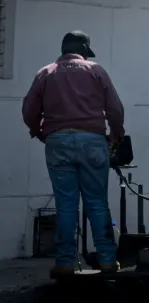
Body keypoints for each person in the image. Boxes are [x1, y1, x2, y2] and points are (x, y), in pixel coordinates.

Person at [22, 31, 126, 279]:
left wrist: (38, 131)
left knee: (66, 204)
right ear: (83, 50)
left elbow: (28, 110)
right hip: (92, 141)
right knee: (97, 203)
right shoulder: (96, 70)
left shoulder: (46, 72)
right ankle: (108, 261)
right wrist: (116, 134)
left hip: (57, 141)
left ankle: (65, 263)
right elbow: (115, 108)